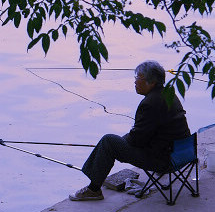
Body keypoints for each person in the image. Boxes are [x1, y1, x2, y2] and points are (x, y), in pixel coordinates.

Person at [69, 60, 190, 201]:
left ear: (151, 82)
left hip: (164, 160)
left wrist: (121, 142)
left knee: (108, 141)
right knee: (115, 142)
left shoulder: (149, 104)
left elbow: (137, 139)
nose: (135, 82)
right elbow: (146, 133)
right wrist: (125, 140)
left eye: (138, 78)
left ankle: (94, 189)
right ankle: (95, 180)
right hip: (183, 154)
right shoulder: (169, 94)